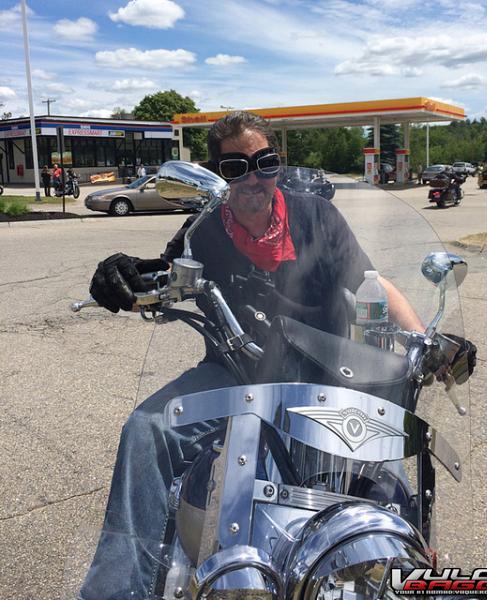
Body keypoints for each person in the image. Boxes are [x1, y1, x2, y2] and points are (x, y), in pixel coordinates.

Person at [80, 111, 428, 599]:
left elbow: (370, 282)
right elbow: (165, 275)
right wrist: (119, 275)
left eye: (264, 162)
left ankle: (399, 567)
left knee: (386, 458)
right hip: (234, 372)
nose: (253, 178)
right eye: (235, 167)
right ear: (218, 173)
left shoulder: (316, 215)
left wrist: (422, 343)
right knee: (147, 428)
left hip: (322, 375)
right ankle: (117, 591)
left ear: (277, 164)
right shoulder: (202, 230)